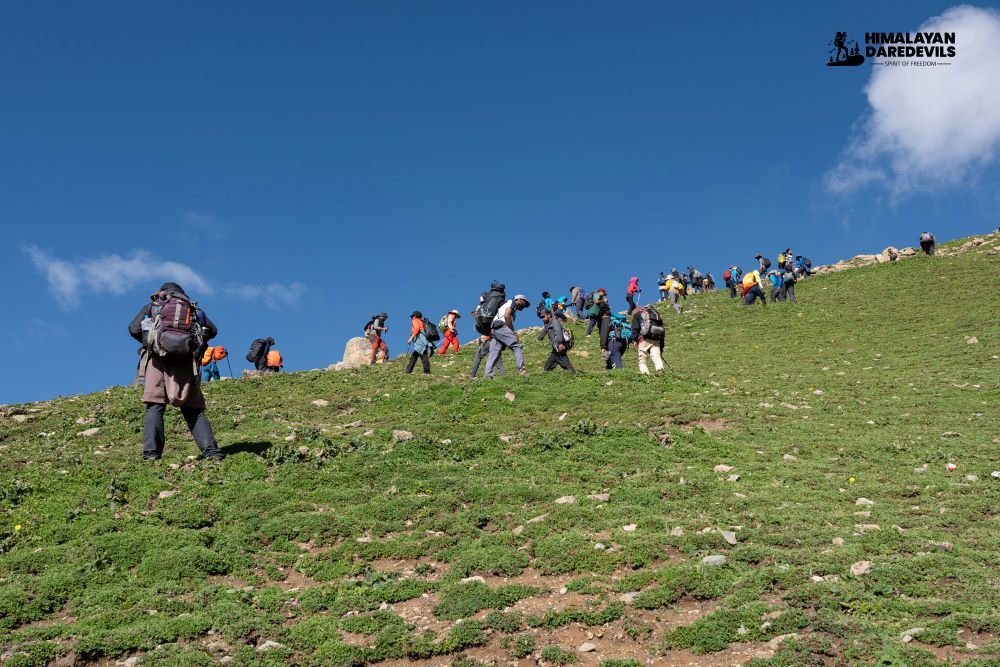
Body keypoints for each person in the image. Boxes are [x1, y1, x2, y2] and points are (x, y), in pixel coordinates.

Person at [127, 282, 225, 462]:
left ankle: (151, 455)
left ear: (162, 291)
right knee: (194, 410)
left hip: (157, 362)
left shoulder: (153, 306)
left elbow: (133, 329)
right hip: (186, 364)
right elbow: (213, 330)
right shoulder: (194, 310)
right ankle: (212, 452)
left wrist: (151, 343)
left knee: (155, 407)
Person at [485, 294, 530, 378]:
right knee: (517, 346)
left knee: (494, 353)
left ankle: (487, 376)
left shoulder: (506, 304)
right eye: (524, 302)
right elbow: (506, 315)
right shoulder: (512, 303)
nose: (524, 306)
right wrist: (512, 332)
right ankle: (522, 370)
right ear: (519, 300)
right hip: (501, 327)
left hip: (493, 329)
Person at [631, 305, 665, 375]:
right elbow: (662, 329)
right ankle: (661, 371)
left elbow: (635, 329)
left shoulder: (637, 315)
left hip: (643, 339)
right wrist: (661, 346)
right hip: (656, 339)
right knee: (656, 356)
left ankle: (645, 375)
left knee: (642, 361)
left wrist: (634, 340)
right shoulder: (655, 314)